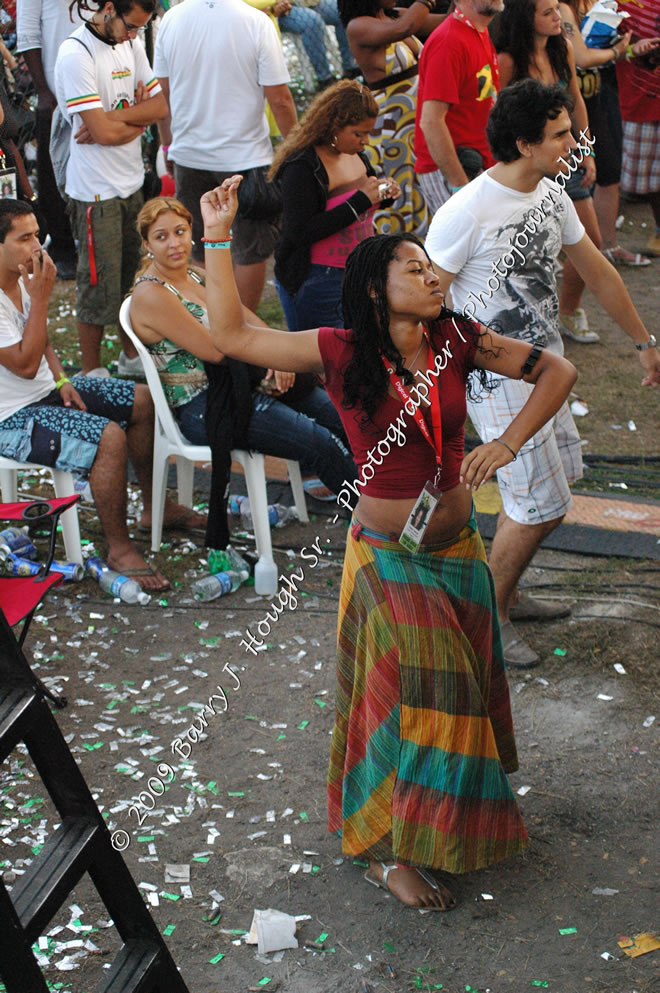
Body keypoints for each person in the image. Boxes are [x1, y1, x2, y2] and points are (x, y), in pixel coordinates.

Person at [197, 174, 581, 911]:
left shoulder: (458, 339)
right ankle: (384, 851)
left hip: (458, 552)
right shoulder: (340, 349)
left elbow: (557, 370)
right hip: (387, 557)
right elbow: (232, 337)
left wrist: (507, 442)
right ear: (375, 288)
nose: (434, 277)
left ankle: (441, 823)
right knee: (410, 697)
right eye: (415, 268)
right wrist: (217, 237)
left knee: (456, 693)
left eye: (433, 268)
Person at [425, 80, 660, 667]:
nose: (575, 143)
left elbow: (597, 271)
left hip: (547, 372)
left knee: (541, 498)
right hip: (498, 384)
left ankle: (505, 594)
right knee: (541, 507)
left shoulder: (552, 194)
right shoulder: (466, 213)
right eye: (560, 135)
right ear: (525, 144)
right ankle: (490, 618)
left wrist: (644, 342)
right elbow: (426, 306)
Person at [0, 200, 206, 592]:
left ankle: (155, 508)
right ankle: (119, 548)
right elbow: (25, 364)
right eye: (24, 239)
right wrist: (41, 297)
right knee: (107, 437)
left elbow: (41, 340)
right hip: (10, 417)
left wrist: (61, 380)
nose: (36, 248)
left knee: (142, 399)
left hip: (44, 393)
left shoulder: (22, 277)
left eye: (37, 236)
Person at [129, 196, 358, 548]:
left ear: (192, 232)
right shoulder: (151, 294)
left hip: (239, 380)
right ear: (147, 243)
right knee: (321, 443)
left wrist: (280, 356)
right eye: (161, 237)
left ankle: (390, 497)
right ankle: (374, 525)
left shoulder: (194, 273)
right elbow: (217, 349)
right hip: (203, 405)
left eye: (180, 232)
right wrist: (271, 359)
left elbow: (241, 316)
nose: (174, 243)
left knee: (344, 415)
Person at [153, 0, 297, 312]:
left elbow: (163, 95)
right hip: (245, 157)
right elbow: (281, 100)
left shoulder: (172, 20)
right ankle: (241, 327)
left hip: (190, 153)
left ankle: (213, 324)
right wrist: (297, 150)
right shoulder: (256, 22)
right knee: (251, 249)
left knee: (201, 248)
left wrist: (168, 145)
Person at [53, 0, 167, 378]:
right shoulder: (76, 53)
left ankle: (130, 356)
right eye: (130, 26)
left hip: (131, 182)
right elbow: (99, 133)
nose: (134, 36)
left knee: (131, 280)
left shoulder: (131, 44)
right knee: (97, 287)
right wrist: (135, 119)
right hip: (94, 191)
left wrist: (116, 117)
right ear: (108, 9)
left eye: (140, 28)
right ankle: (92, 372)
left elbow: (160, 106)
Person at [493, 0, 602, 344]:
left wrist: (586, 149)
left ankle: (568, 310)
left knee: (591, 239)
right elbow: (499, 117)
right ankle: (529, 320)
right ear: (527, 18)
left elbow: (576, 100)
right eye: (548, 12)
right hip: (526, 164)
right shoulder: (508, 60)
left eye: (557, 8)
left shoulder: (562, 49)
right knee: (526, 249)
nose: (559, 17)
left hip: (565, 156)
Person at [270, 79, 400, 331]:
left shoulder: (356, 154)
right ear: (333, 126)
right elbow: (300, 231)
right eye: (358, 134)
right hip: (320, 279)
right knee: (321, 352)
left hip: (359, 271)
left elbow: (361, 206)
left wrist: (384, 195)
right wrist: (361, 201)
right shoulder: (302, 166)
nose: (365, 141)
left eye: (368, 133)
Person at [559, 0, 658, 266]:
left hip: (596, 96)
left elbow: (601, 53)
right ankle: (572, 251)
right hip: (567, 101)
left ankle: (608, 246)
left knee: (610, 172)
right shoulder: (563, 8)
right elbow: (581, 57)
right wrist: (617, 51)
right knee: (568, 178)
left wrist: (630, 50)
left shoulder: (599, 3)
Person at [338, 0, 444, 237]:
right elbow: (404, 29)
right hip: (391, 127)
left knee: (422, 190)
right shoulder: (359, 27)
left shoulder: (397, 15)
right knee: (400, 196)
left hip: (416, 124)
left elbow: (448, 22)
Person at [413, 0, 500, 216]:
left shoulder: (477, 31)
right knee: (470, 238)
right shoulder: (449, 41)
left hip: (476, 163)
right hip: (453, 169)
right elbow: (431, 122)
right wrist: (460, 186)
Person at [16, 0, 82, 281]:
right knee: (53, 168)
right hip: (55, 92)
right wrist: (43, 90)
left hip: (93, 84)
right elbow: (28, 35)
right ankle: (63, 245)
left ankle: (89, 240)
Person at [613, 0, 660, 258]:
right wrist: (632, 47)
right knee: (649, 179)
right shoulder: (620, 4)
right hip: (640, 99)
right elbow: (600, 44)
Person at [277, 0, 357, 89]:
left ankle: (351, 67)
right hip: (275, 11)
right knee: (311, 21)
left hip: (307, 3)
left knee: (344, 7)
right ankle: (325, 80)